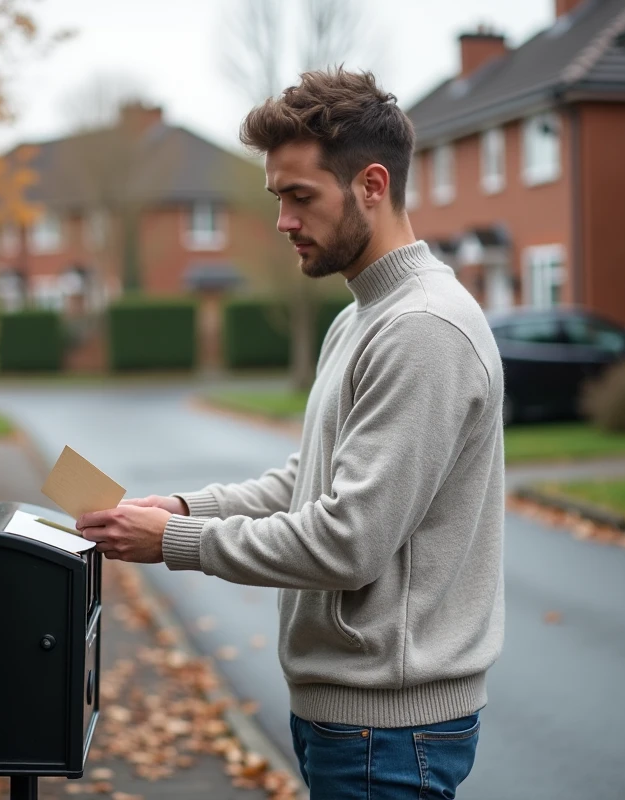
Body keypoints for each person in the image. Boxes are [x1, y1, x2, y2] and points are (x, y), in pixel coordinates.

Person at [75, 68, 504, 800]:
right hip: (353, 721)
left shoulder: (421, 329)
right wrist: (184, 509)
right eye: (279, 197)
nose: (282, 221)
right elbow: (306, 481)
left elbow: (349, 540)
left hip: (388, 732)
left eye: (300, 196)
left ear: (372, 185)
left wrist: (172, 544)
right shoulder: (362, 316)